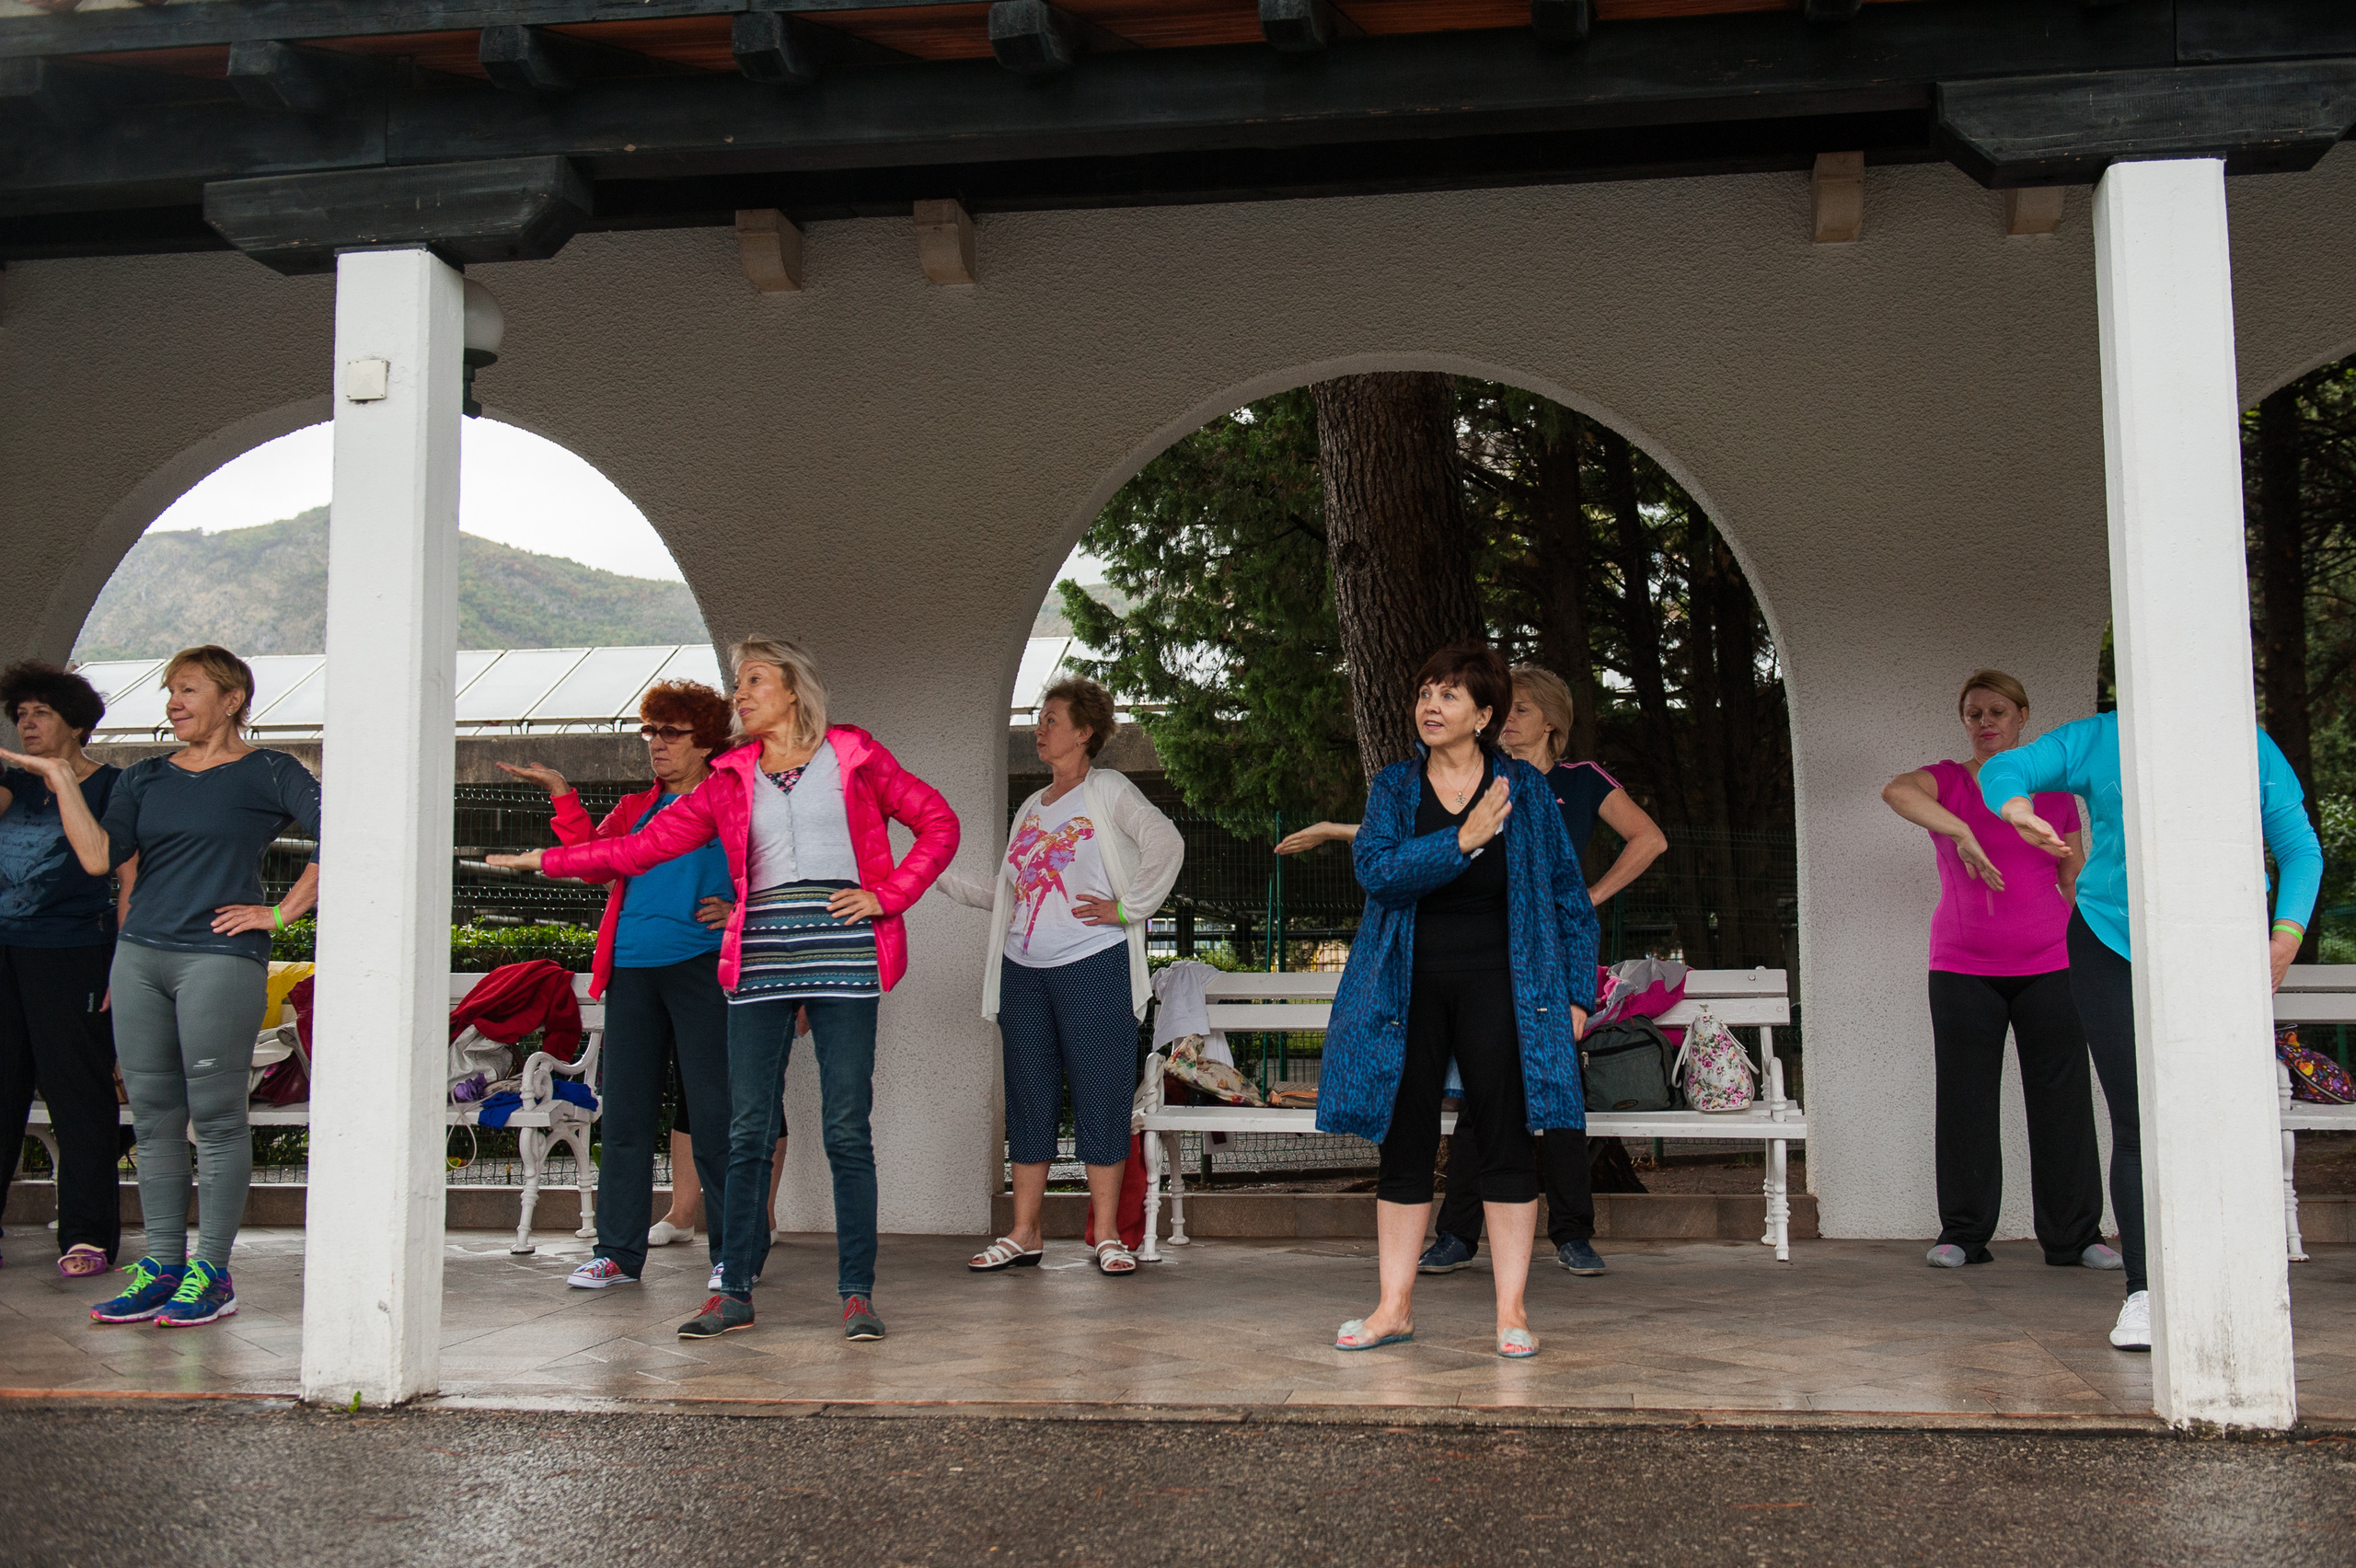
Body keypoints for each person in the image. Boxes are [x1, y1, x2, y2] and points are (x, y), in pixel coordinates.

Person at [492, 637, 958, 1343]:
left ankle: (856, 1295)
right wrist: (543, 859)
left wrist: (888, 895)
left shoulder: (854, 754)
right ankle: (731, 1290)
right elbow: (638, 849)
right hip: (757, 966)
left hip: (840, 962)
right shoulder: (730, 779)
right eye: (739, 682)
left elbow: (938, 822)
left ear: (794, 690)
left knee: (844, 1130)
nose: (740, 694)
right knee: (744, 1131)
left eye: (754, 680)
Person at [1980, 709, 2321, 1352]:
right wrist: (2018, 809)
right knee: (2138, 1121)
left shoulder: (2245, 742)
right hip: (2110, 939)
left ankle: (2227, 1283)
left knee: (2217, 1116)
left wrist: (2285, 938)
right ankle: (2144, 1292)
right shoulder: (2101, 737)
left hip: (2213, 946)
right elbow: (2006, 768)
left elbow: (2299, 848)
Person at [2, 646, 320, 1329]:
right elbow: (98, 857)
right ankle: (163, 1267)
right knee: (152, 1123)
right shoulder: (145, 777)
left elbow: (346, 834)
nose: (174, 703)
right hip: (139, 958)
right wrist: (60, 777)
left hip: (218, 959)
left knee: (217, 1119)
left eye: (188, 690)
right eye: (170, 691)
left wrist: (280, 912)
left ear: (232, 699)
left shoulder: (272, 771)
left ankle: (213, 1273)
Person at [1317, 644, 1599, 1360]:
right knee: (1405, 1140)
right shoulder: (1394, 787)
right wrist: (1462, 842)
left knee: (1506, 1138)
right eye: (1425, 694)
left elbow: (1568, 896)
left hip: (1503, 986)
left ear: (1483, 715)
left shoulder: (1523, 790)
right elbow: (1378, 873)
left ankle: (1511, 1313)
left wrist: (1576, 994)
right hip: (1405, 987)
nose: (1431, 706)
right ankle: (1394, 1308)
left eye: (1449, 695)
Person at [496, 679, 775, 1295]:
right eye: (652, 731)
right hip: (631, 972)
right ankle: (617, 1254)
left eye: (672, 732)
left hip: (703, 969)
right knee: (624, 1117)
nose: (657, 743)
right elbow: (592, 862)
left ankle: (737, 1255)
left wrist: (741, 909)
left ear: (706, 740)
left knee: (717, 1117)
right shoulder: (633, 808)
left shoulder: (734, 801)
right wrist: (563, 795)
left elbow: (778, 868)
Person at [1418, 664, 1666, 1278]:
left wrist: (1589, 896)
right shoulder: (1483, 776)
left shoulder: (1582, 780)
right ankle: (1456, 1234)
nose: (1507, 720)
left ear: (1553, 720)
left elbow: (1649, 839)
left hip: (1552, 959)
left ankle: (1573, 1234)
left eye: (1522, 709)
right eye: (1503, 709)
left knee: (1559, 1092)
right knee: (1482, 1092)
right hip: (1489, 954)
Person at [934, 676, 1184, 1276]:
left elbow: (1166, 842)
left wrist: (1128, 908)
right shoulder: (1031, 807)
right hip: (1022, 973)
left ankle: (1107, 1235)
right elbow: (1008, 891)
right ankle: (1025, 1233)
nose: (1039, 729)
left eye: (1051, 719)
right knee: (1029, 1097)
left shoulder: (1108, 789)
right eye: (1039, 719)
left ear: (1085, 731)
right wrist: (931, 875)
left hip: (1094, 966)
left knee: (1101, 1095)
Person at [1880, 670, 2113, 1274]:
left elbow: (2072, 879)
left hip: (2053, 965)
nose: (1986, 722)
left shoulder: (2053, 793)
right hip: (1962, 969)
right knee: (1966, 1102)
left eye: (1998, 712)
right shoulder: (1949, 783)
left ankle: (2075, 1238)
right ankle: (1963, 1234)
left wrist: (2098, 953)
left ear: (2022, 717)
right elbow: (1895, 791)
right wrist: (1959, 829)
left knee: (2062, 1101)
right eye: (1974, 713)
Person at [0, 663, 132, 1278]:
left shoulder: (114, 787)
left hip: (75, 953)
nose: (27, 723)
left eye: (42, 712)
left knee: (78, 1097)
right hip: (6, 953)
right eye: (21, 714)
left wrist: (123, 964)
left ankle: (86, 1235)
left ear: (76, 724)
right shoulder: (13, 784)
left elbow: (127, 878)